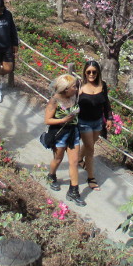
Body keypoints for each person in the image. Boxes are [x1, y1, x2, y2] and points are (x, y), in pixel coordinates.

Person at [44, 74, 85, 206]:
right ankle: (51, 175)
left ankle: (74, 191)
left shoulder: (74, 96)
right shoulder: (54, 100)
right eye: (73, 86)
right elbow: (47, 120)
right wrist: (63, 120)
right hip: (60, 132)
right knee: (58, 158)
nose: (76, 88)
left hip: (74, 132)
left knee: (73, 161)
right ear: (66, 89)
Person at [77, 60, 112, 191]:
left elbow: (106, 102)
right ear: (85, 72)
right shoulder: (79, 86)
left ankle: (80, 159)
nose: (91, 74)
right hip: (83, 122)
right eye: (89, 72)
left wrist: (109, 118)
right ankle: (91, 178)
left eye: (94, 72)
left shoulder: (102, 85)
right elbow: (68, 101)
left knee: (91, 143)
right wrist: (77, 95)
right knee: (90, 149)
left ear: (98, 73)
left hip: (98, 122)